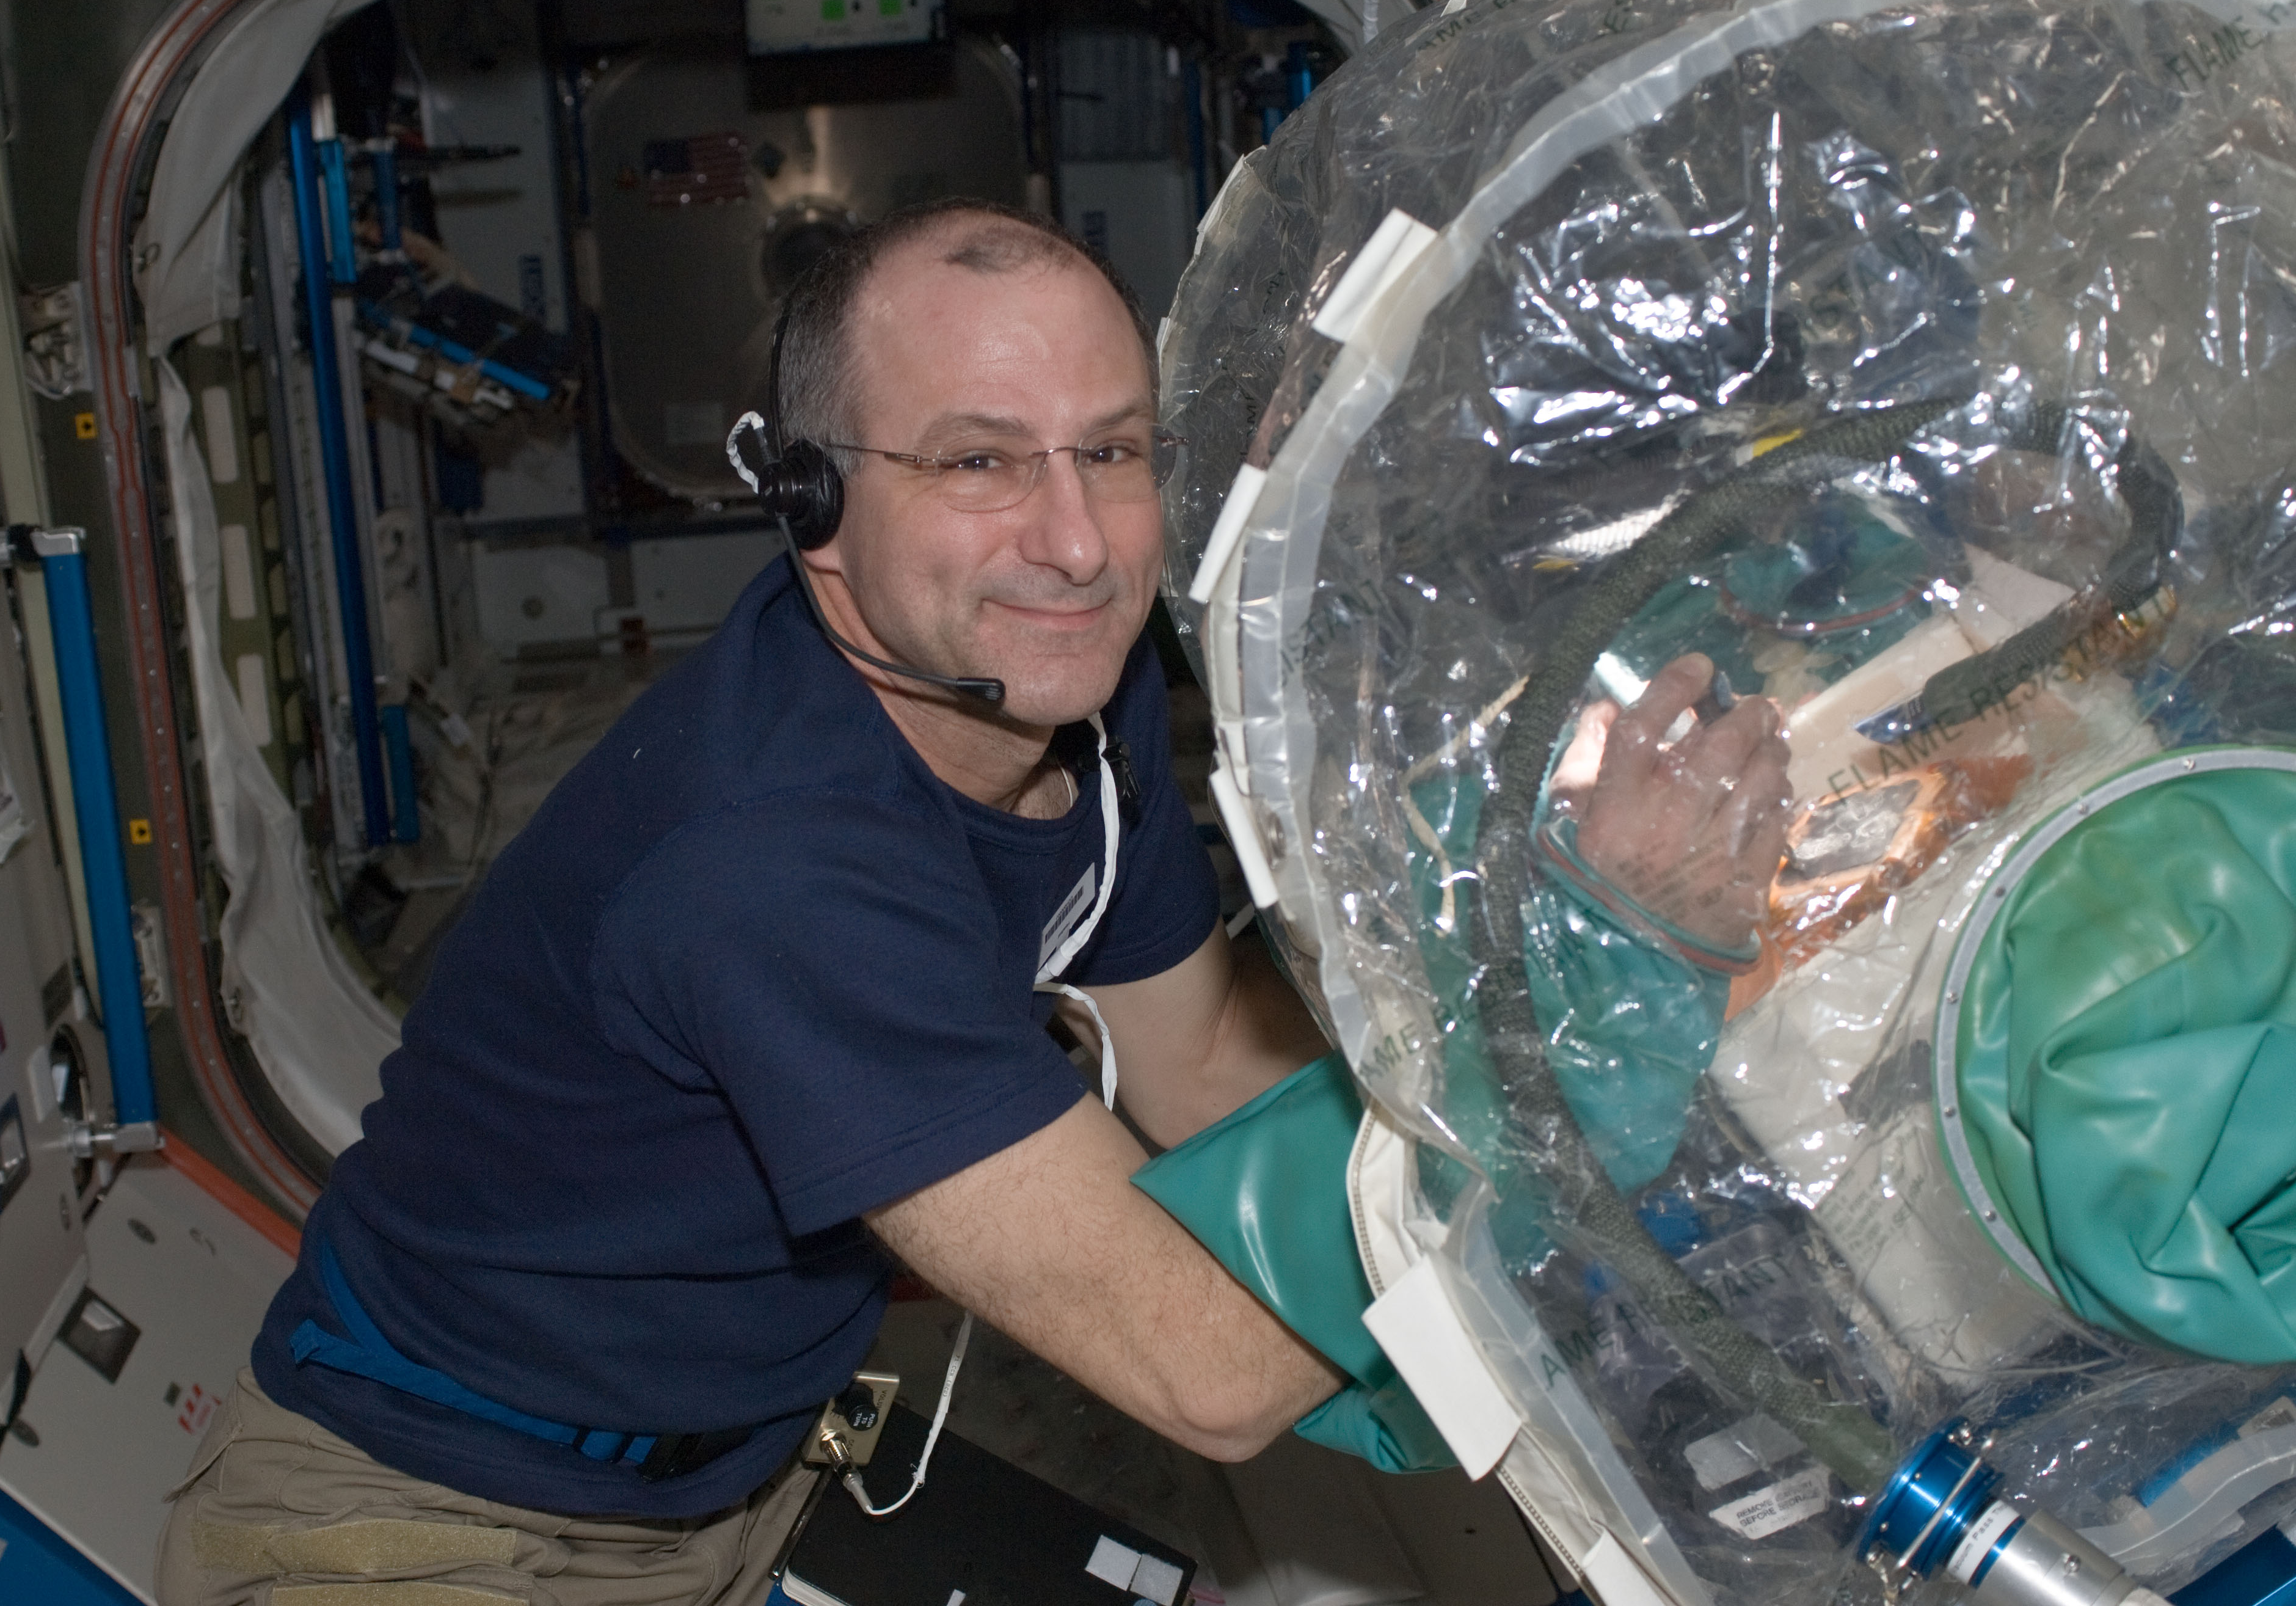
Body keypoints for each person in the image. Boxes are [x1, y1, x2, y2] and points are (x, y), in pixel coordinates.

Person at [155, 197, 1791, 1606]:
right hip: (425, 1533)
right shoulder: (775, 866)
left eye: (1116, 452)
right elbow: (1208, 1368)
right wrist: (1593, 980)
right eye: (979, 463)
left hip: (741, 1478)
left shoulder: (1066, 703)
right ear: (810, 507)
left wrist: (1522, 1144)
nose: (1077, 544)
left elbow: (1201, 1064)